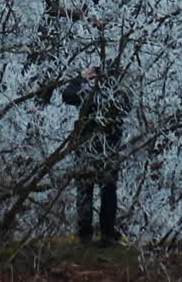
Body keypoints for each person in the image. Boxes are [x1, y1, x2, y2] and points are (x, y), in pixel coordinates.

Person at [60, 64, 130, 247]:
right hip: (107, 147)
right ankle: (105, 235)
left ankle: (87, 236)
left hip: (89, 147)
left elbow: (68, 95)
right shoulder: (118, 93)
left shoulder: (88, 94)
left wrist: (81, 78)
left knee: (88, 190)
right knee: (106, 191)